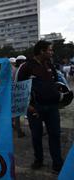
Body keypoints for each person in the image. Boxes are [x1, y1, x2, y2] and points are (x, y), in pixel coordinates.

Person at [17, 40, 73, 173]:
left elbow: (55, 83)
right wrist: (28, 107)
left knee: (55, 135)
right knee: (36, 136)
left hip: (52, 108)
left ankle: (57, 164)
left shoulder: (50, 65)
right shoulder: (26, 67)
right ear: (42, 51)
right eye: (50, 50)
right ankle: (38, 160)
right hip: (35, 108)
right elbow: (20, 90)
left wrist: (62, 97)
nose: (52, 52)